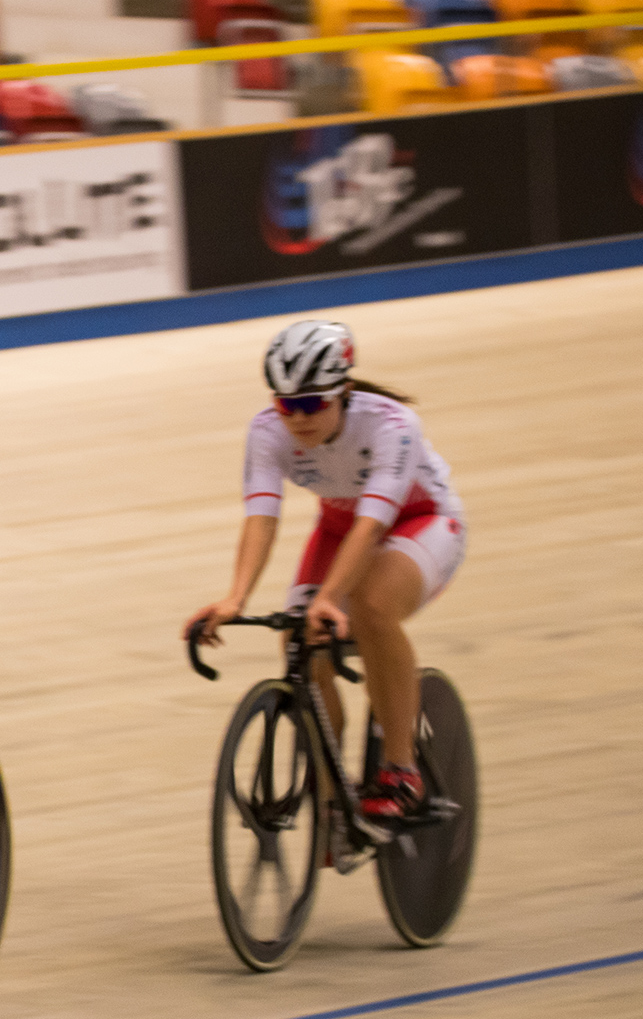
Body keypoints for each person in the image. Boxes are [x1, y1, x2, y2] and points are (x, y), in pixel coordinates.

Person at [184, 319, 466, 824]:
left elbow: (371, 526)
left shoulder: (390, 426)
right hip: (340, 525)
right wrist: (235, 598)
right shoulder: (267, 433)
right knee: (301, 644)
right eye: (286, 404)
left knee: (373, 607)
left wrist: (330, 597)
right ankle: (332, 795)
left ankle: (401, 770)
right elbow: (261, 520)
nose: (298, 417)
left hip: (423, 520)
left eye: (313, 403)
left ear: (345, 391)